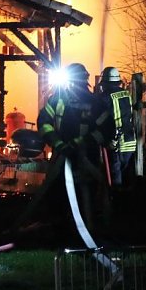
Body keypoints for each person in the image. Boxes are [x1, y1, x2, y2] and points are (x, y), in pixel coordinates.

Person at [37, 62, 114, 234]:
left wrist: (80, 143)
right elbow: (44, 124)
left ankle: (86, 232)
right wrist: (60, 144)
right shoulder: (60, 99)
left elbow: (107, 129)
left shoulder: (94, 103)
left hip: (84, 158)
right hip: (63, 158)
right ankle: (64, 231)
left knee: (82, 195)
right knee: (60, 195)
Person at [97, 66, 137, 187]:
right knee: (127, 177)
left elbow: (102, 121)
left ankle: (115, 201)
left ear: (105, 83)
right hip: (130, 142)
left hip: (115, 143)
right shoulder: (126, 95)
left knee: (115, 179)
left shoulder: (104, 98)